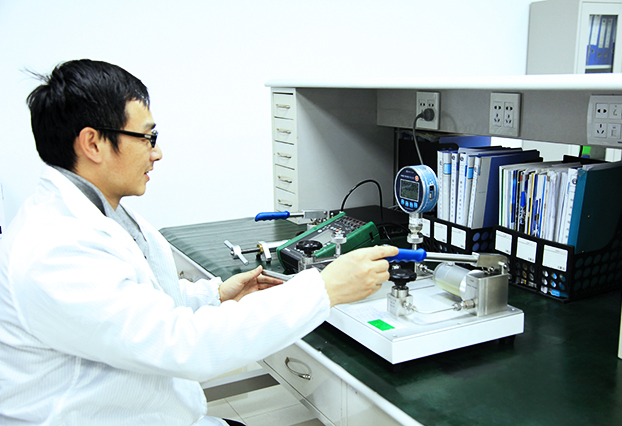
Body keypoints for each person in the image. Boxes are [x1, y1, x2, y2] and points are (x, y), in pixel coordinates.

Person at [0, 59, 398, 426]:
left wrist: (214, 296)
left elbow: (136, 303)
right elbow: (181, 345)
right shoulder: (56, 248)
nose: (157, 153)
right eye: (147, 137)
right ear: (93, 143)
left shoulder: (91, 212)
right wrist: (324, 288)